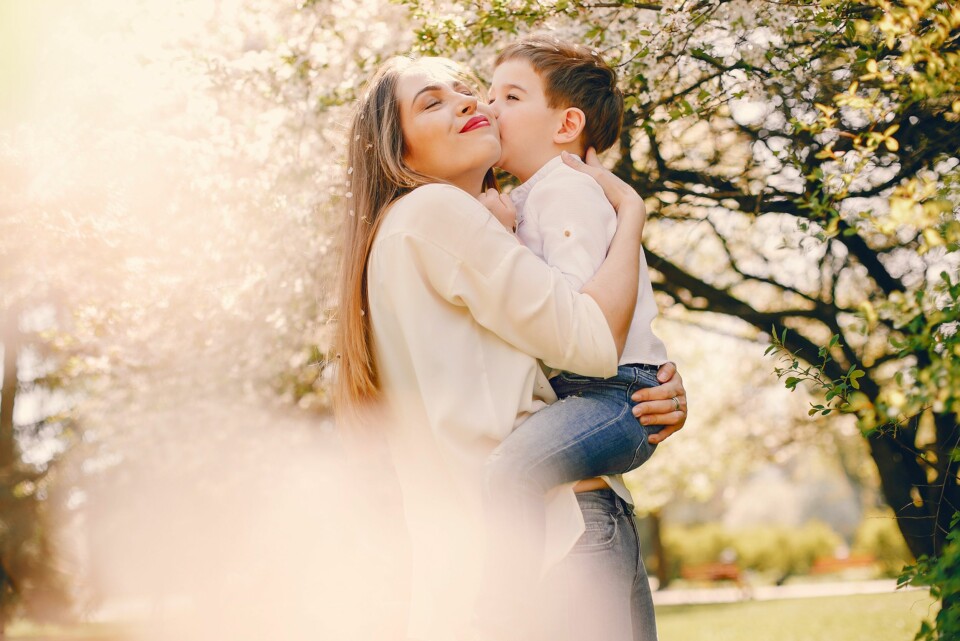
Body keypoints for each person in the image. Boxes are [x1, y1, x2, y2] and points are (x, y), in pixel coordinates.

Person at [332, 55, 687, 641]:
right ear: (396, 151)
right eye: (432, 103)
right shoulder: (437, 212)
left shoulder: (412, 232)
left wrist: (649, 390)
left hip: (539, 531)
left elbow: (550, 357)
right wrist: (630, 215)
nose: (469, 102)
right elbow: (593, 340)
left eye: (466, 92)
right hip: (557, 535)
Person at [474, 37, 675, 641]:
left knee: (509, 472)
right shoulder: (533, 195)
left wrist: (502, 240)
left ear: (567, 124)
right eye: (489, 95)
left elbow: (576, 318)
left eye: (511, 96)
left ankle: (505, 606)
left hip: (614, 396)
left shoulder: (563, 190)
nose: (491, 109)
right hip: (602, 396)